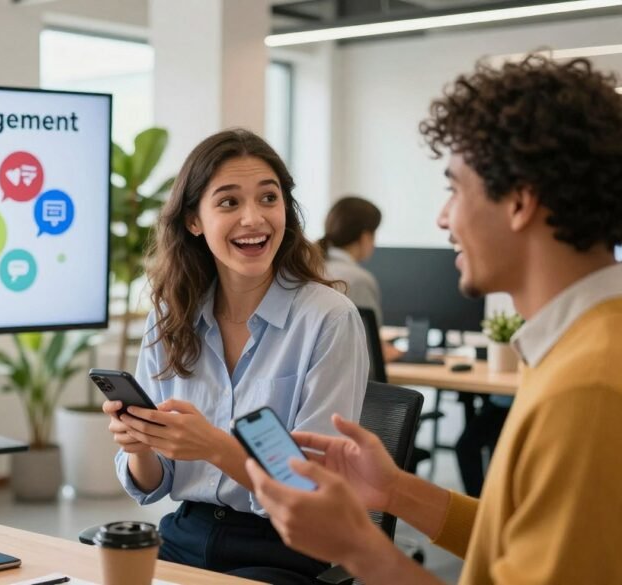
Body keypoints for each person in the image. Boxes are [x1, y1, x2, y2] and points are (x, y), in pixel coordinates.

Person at [247, 54, 622, 584]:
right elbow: (513, 538)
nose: (442, 217)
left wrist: (357, 546)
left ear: (519, 202)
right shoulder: (577, 347)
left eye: (454, 188)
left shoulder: (588, 388)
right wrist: (395, 490)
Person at [103, 129, 368, 584]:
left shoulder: (328, 319)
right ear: (194, 221)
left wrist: (213, 446)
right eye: (228, 202)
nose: (254, 218)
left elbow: (310, 490)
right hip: (184, 534)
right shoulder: (170, 315)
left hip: (285, 548)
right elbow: (154, 484)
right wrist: (140, 446)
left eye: (269, 198)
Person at [318, 196, 402, 362]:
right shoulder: (358, 280)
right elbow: (369, 350)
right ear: (365, 237)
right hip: (348, 381)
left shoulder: (311, 267)